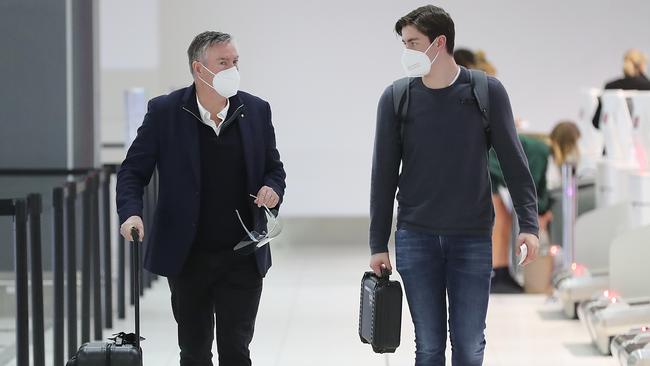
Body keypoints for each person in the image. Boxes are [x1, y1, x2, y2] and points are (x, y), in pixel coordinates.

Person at [369, 5, 540, 365]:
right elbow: (382, 176)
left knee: (468, 344)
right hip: (416, 237)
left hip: (473, 237)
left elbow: (514, 164)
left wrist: (529, 225)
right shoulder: (397, 99)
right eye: (404, 43)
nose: (406, 52)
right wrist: (377, 243)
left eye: (413, 43)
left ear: (439, 42)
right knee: (428, 345)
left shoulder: (486, 92)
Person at [116, 31, 286, 366]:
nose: (232, 69)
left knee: (236, 351)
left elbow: (274, 169)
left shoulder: (255, 110)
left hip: (242, 254)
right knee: (194, 351)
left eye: (235, 61)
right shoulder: (166, 112)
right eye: (223, 62)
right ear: (199, 69)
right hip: (188, 255)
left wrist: (273, 189)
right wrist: (130, 213)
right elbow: (133, 172)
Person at [593, 49, 650, 128]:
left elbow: (596, 122)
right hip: (643, 138)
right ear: (642, 66)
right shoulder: (647, 87)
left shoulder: (610, 87)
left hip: (614, 139)